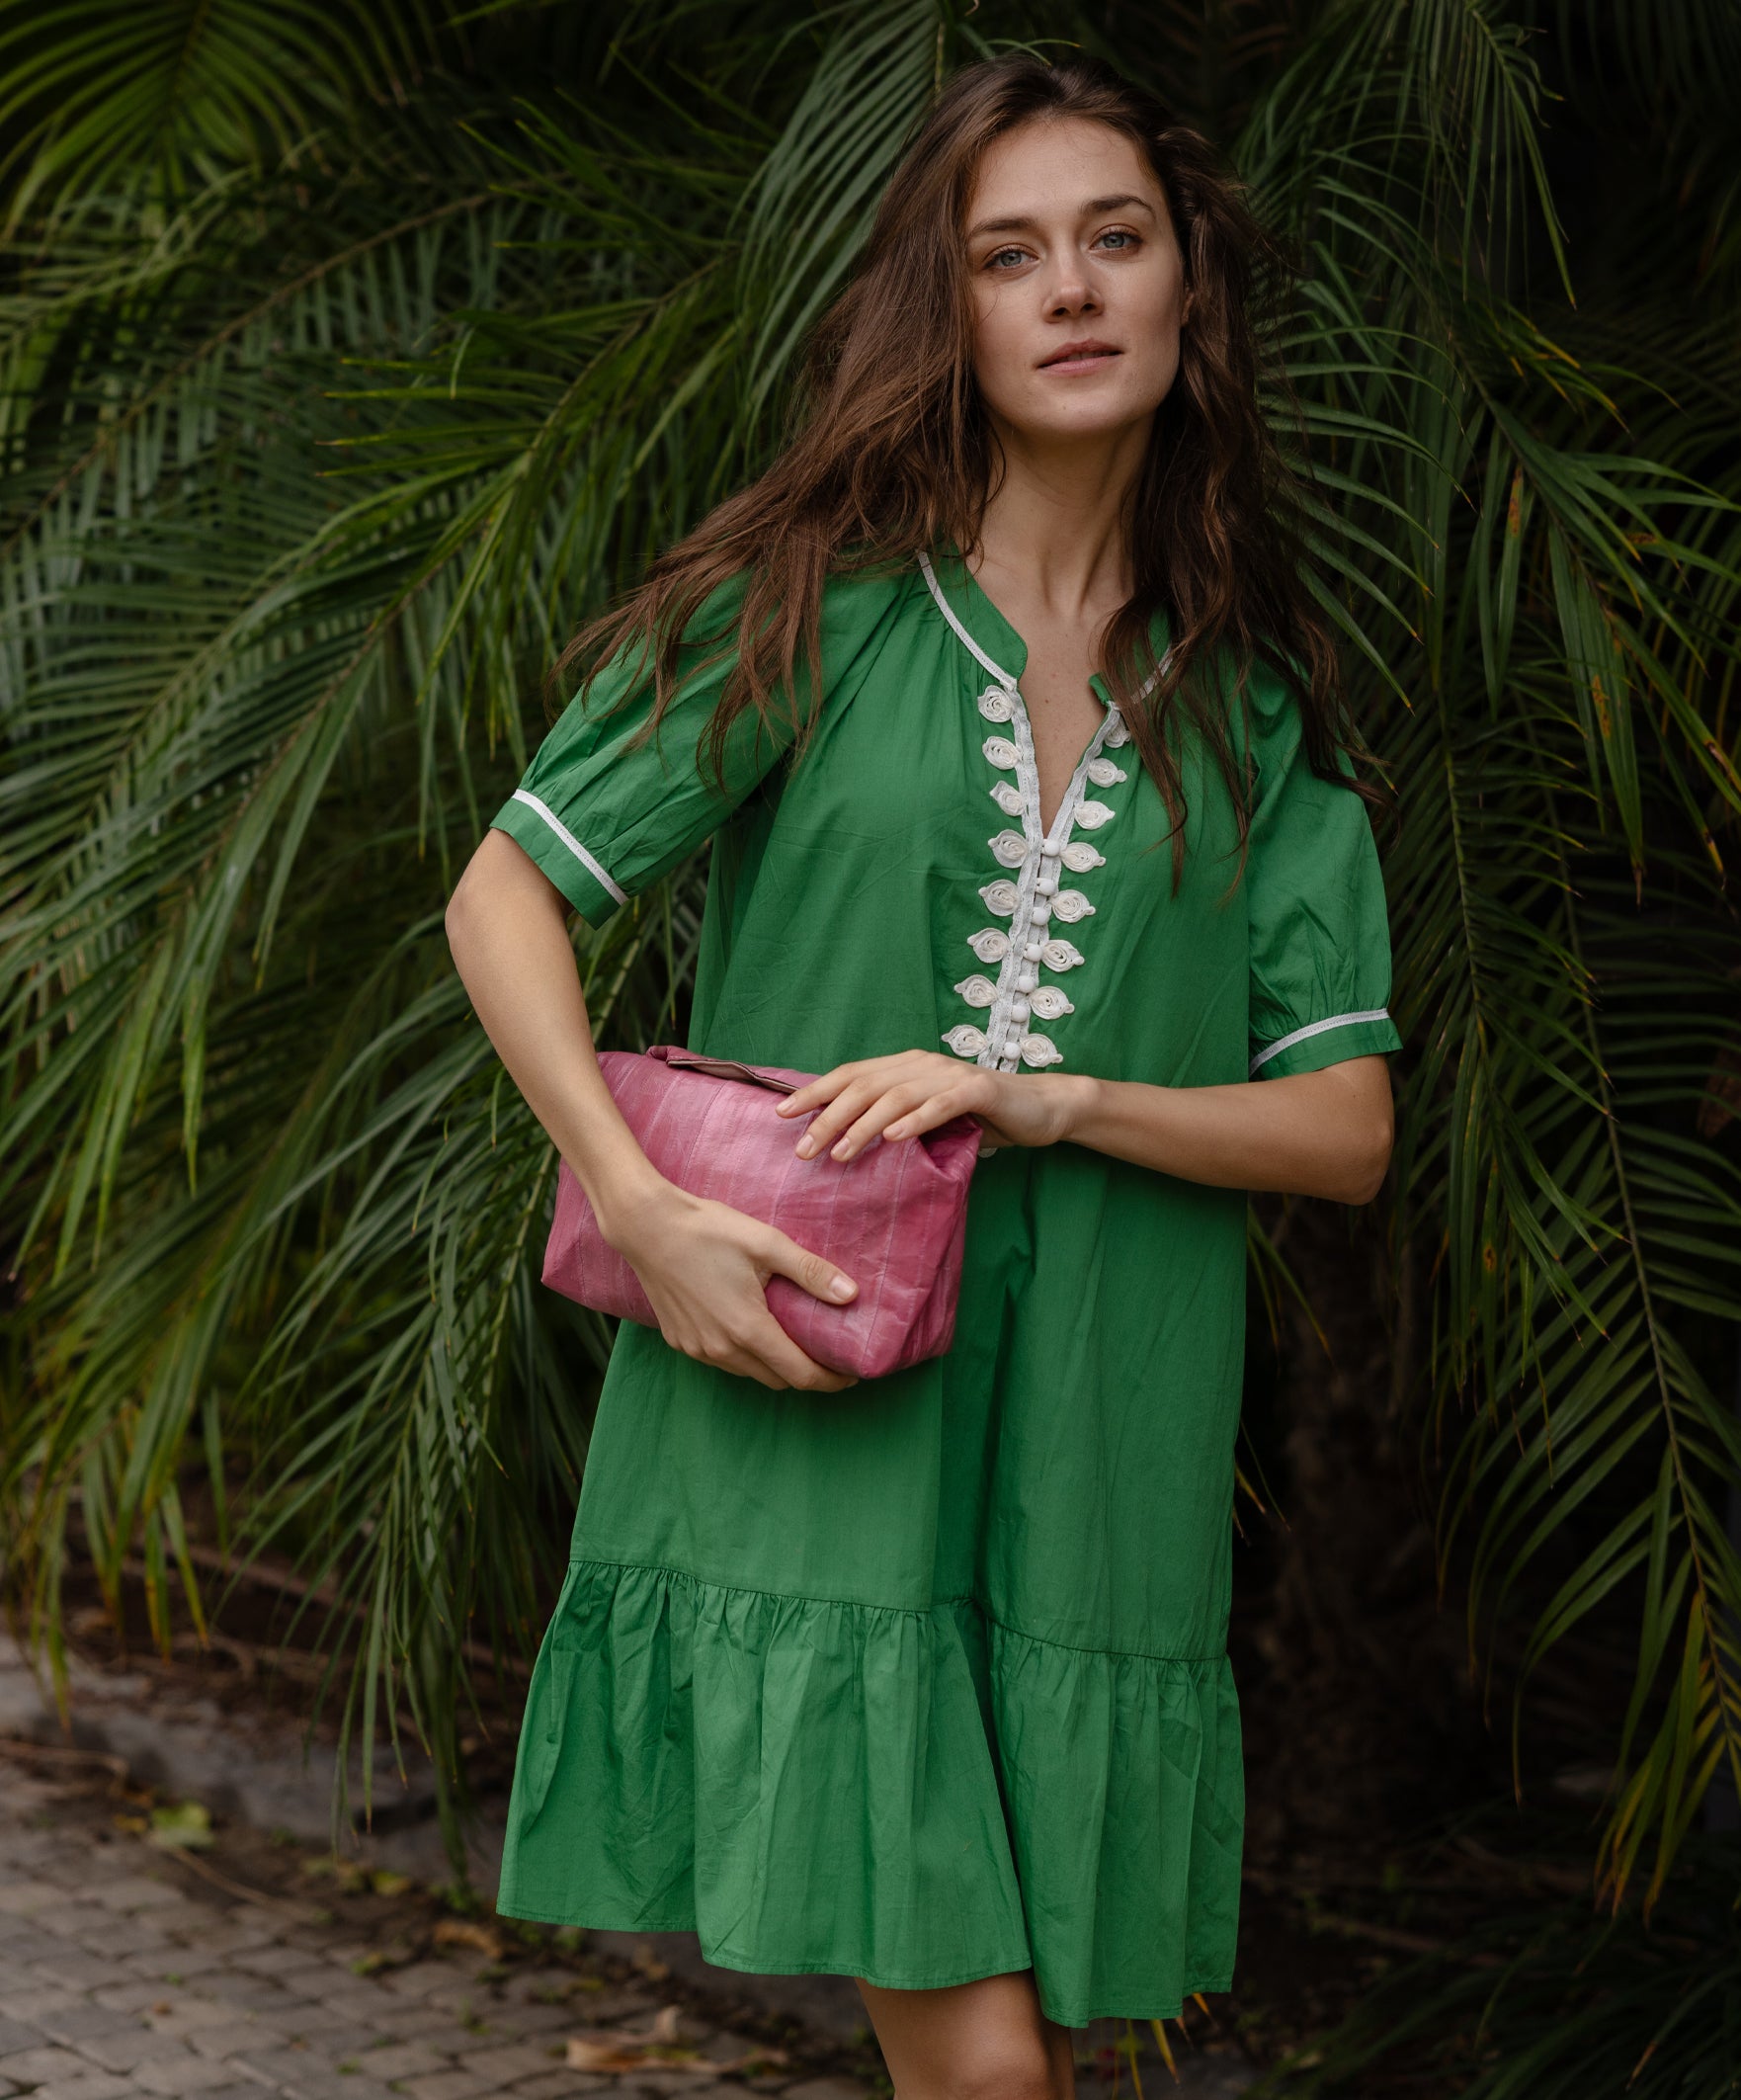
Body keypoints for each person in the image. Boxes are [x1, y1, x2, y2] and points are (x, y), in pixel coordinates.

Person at [445, 49, 1400, 2100]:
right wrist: (633, 1202)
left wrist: (1044, 1096)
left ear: (1184, 290)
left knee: (1023, 2051)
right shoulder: (820, 611)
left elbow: (1341, 1129)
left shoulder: (1248, 710)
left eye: (1112, 239)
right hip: (819, 1421)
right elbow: (505, 892)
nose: (1067, 288)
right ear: (946, 309)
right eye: (1008, 252)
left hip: (1104, 1466)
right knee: (987, 2071)